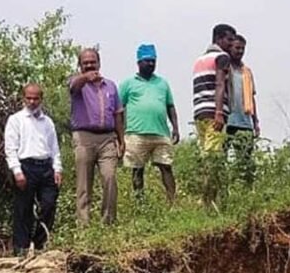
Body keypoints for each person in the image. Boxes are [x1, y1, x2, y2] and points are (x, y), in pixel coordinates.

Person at [4, 83, 63, 255]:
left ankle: (40, 244)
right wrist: (17, 171)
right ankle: (20, 248)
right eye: (28, 98)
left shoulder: (48, 122)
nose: (32, 102)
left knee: (48, 205)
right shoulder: (16, 120)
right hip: (25, 166)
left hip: (45, 167)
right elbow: (10, 148)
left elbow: (54, 148)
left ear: (41, 99)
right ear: (23, 98)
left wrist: (57, 168)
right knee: (23, 208)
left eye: (35, 98)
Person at [68, 48, 124, 225]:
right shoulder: (77, 82)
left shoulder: (111, 86)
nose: (90, 65)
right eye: (85, 63)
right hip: (84, 138)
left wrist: (122, 139)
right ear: (80, 65)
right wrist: (86, 78)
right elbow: (73, 86)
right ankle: (84, 226)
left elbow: (117, 114)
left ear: (99, 63)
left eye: (92, 62)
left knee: (110, 178)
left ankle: (108, 224)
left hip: (108, 139)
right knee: (84, 184)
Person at [118, 43, 180, 204]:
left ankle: (172, 203)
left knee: (166, 166)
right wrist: (118, 133)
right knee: (137, 169)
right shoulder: (128, 84)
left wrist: (176, 128)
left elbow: (170, 106)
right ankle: (140, 204)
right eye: (147, 61)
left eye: (153, 60)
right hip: (136, 133)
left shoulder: (162, 83)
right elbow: (118, 108)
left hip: (161, 133)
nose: (151, 64)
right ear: (139, 62)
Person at [193, 24, 236, 155]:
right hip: (214, 112)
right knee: (213, 154)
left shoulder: (199, 60)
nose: (231, 44)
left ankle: (203, 175)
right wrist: (219, 112)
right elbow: (219, 83)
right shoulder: (222, 57)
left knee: (204, 150)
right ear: (218, 38)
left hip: (200, 112)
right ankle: (211, 176)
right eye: (229, 40)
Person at [227, 34, 260, 184]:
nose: (239, 51)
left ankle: (246, 191)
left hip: (245, 121)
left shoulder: (247, 71)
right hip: (228, 120)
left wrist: (256, 122)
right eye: (237, 48)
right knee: (222, 156)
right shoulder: (224, 68)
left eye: (242, 49)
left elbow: (252, 98)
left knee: (246, 161)